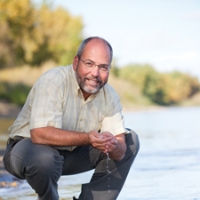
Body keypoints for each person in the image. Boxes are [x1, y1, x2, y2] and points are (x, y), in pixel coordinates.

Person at [3, 36, 140, 200]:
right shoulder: (53, 81)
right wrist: (88, 138)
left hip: (69, 156)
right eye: (89, 64)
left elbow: (121, 152)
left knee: (131, 139)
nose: (95, 73)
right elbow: (39, 134)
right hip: (25, 153)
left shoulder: (109, 95)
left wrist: (113, 145)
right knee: (44, 157)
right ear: (76, 63)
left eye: (103, 67)